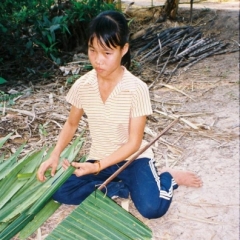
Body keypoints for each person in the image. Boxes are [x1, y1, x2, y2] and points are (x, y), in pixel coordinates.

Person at [37, 10, 202, 219]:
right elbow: (70, 124)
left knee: (153, 209)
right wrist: (55, 154)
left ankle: (168, 177)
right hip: (100, 159)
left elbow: (134, 144)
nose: (98, 60)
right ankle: (120, 188)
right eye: (92, 50)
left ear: (123, 49)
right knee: (58, 190)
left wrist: (96, 167)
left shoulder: (136, 89)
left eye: (107, 53)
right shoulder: (83, 85)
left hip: (133, 161)